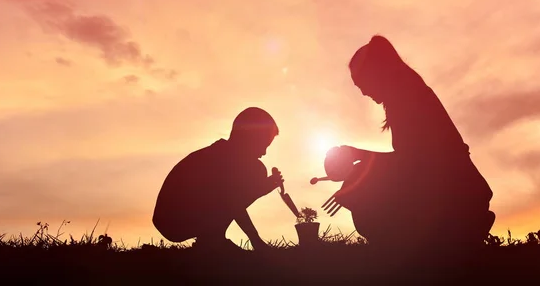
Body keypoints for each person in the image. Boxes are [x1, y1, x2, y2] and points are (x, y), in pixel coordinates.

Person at [325, 35, 495, 260]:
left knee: (363, 182)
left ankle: (452, 230)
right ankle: (457, 228)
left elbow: (413, 162)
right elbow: (412, 161)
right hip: (461, 189)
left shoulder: (407, 97)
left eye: (361, 84)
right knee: (363, 178)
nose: (363, 93)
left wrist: (360, 166)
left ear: (374, 73)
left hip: (456, 191)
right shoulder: (408, 91)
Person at [152, 107, 284, 252]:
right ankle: (212, 242)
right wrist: (255, 239)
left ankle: (212, 239)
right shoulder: (221, 159)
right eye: (263, 145)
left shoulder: (224, 155)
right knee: (256, 173)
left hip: (178, 217)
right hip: (173, 220)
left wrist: (260, 189)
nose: (264, 153)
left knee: (256, 174)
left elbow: (233, 200)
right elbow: (232, 201)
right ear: (249, 139)